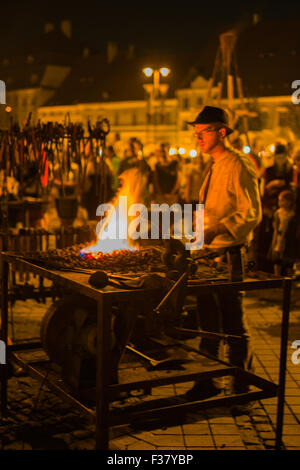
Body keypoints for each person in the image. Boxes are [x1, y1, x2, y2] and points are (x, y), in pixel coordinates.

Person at [185, 106, 262, 400]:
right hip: (207, 256)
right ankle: (207, 382)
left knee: (232, 324)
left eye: (202, 133)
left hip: (229, 258)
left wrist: (216, 229)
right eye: (196, 134)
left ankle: (241, 384)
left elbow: (251, 213)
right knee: (208, 325)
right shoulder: (215, 165)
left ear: (221, 132)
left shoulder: (239, 164)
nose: (198, 139)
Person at [268, 189, 297, 276]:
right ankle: (277, 276)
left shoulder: (292, 214)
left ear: (289, 202)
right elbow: (275, 225)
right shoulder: (278, 213)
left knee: (287, 259)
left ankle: (289, 277)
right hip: (278, 237)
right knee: (277, 259)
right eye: (279, 200)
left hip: (287, 239)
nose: (279, 202)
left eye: (282, 200)